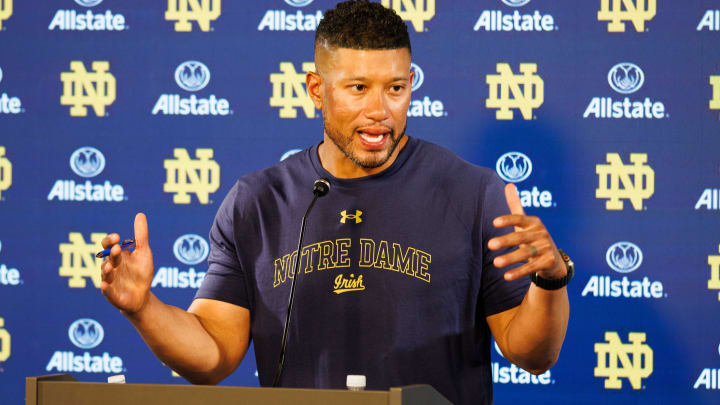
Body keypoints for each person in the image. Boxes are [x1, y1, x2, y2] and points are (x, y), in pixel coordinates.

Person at [99, 1, 570, 404]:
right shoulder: (257, 202)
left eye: (395, 88)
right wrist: (144, 308)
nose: (379, 111)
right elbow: (213, 355)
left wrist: (549, 282)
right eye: (358, 88)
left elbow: (530, 354)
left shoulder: (473, 193)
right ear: (316, 90)